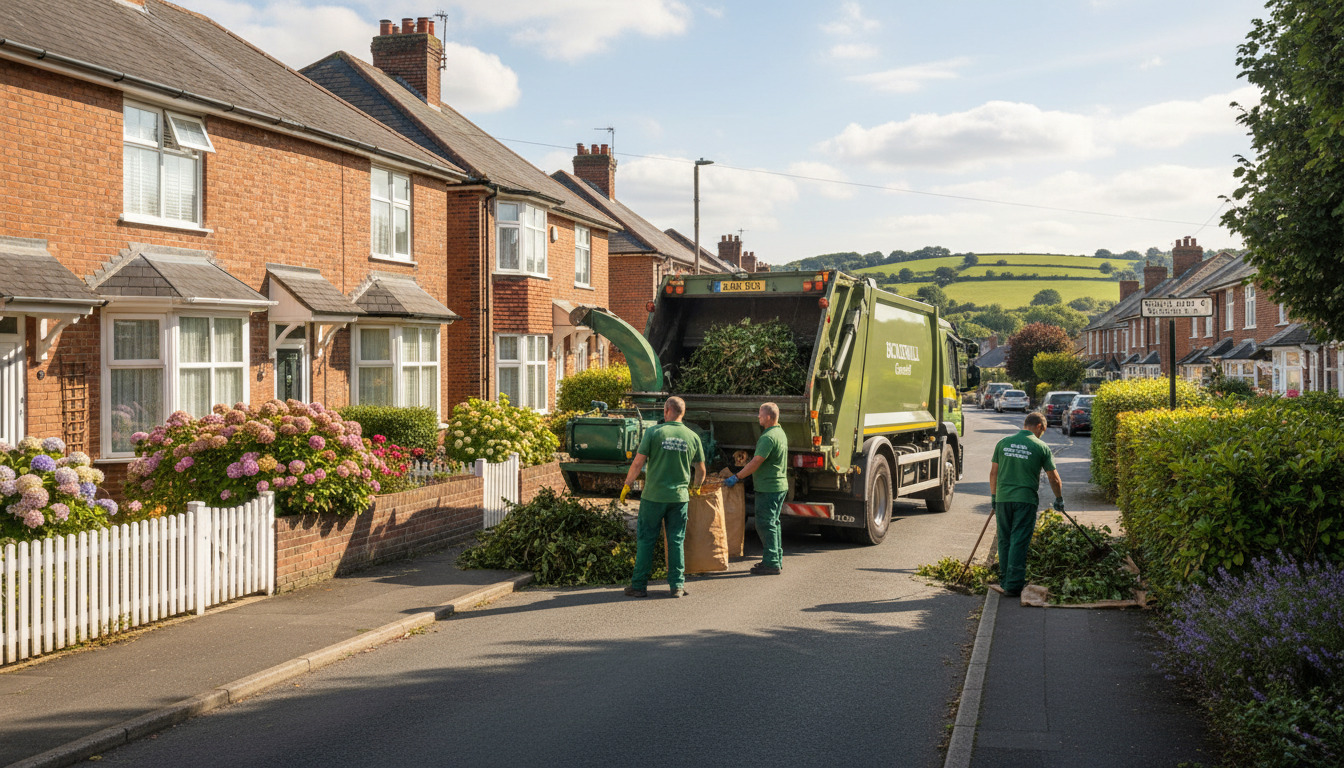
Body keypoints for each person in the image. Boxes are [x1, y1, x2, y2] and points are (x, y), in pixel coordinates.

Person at [620, 396, 706, 598]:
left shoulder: (653, 433)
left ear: (667, 410)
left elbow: (637, 464)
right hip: (679, 498)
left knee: (646, 539)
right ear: (682, 413)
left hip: (653, 498)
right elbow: (701, 470)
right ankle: (677, 586)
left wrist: (627, 485)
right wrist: (696, 488)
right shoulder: (693, 437)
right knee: (676, 540)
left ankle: (639, 586)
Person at [989, 411, 1064, 597]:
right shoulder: (1041, 447)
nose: (1042, 434)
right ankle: (1014, 585)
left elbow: (993, 473)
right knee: (1019, 540)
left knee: (1004, 539)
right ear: (1039, 426)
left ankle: (1005, 580)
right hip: (1025, 500)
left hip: (1003, 499)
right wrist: (1059, 499)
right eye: (1043, 430)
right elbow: (1054, 479)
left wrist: (993, 496)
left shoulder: (1003, 443)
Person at [724, 402, 788, 576]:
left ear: (768, 416)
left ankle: (772, 563)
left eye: (760, 414)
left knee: (764, 524)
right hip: (778, 485)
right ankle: (775, 558)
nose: (758, 417)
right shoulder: (779, 432)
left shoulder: (768, 437)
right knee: (773, 523)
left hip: (769, 486)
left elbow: (756, 461)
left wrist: (737, 477)